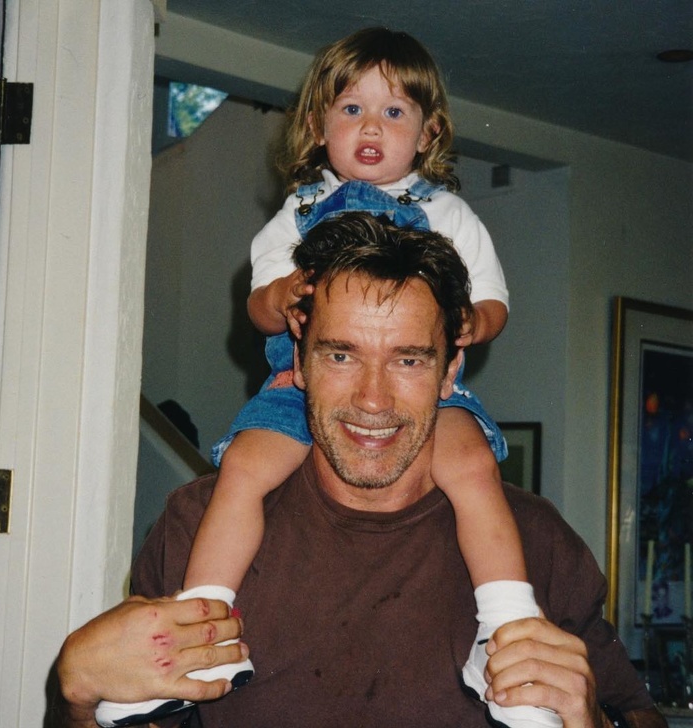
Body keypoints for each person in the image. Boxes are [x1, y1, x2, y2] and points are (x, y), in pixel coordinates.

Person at [58, 213, 665, 728]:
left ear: (451, 372)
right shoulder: (196, 524)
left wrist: (591, 720)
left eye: (408, 360)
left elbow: (639, 714)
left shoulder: (536, 539)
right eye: (341, 355)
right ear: (298, 361)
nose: (373, 400)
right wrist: (80, 701)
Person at [96, 27, 542, 728]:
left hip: (442, 398)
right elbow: (259, 305)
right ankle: (202, 634)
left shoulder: (449, 215)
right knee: (243, 469)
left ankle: (507, 634)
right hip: (293, 391)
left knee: (473, 467)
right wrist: (283, 296)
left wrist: (469, 322)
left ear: (428, 132)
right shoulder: (298, 213)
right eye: (351, 109)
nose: (372, 128)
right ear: (316, 124)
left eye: (394, 112)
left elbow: (493, 305)